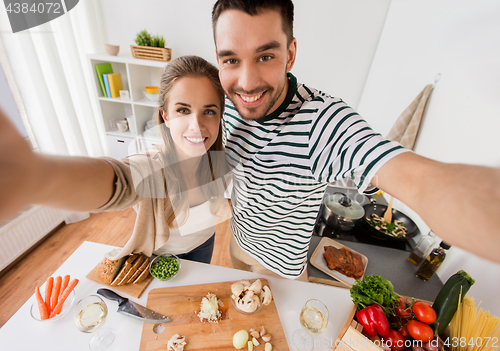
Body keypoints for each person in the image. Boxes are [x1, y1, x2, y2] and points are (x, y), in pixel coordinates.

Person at [209, 0, 500, 279]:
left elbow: (420, 183)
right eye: (232, 59)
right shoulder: (225, 103)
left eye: (265, 56)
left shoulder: (321, 122)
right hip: (237, 243)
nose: (246, 83)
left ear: (291, 53)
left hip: (278, 269)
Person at [0, 55, 231, 264]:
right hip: (161, 256)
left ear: (220, 116)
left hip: (204, 244)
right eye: (183, 110)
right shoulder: (153, 167)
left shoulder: (223, 161)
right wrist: (37, 177)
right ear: (166, 116)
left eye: (209, 111)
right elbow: (119, 180)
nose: (196, 125)